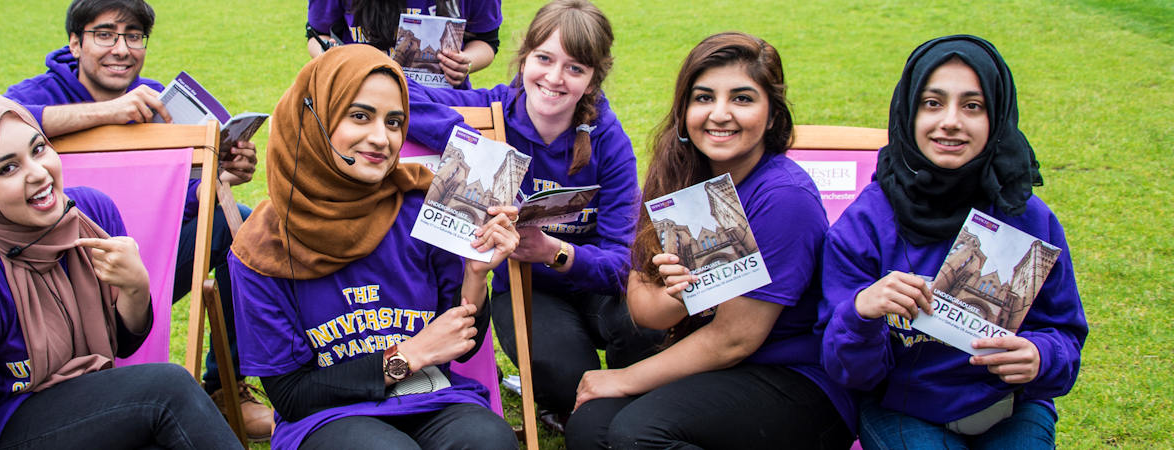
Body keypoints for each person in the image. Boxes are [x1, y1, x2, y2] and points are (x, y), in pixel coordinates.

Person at [562, 32, 855, 449]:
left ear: (772, 116)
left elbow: (736, 338)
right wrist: (681, 296)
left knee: (638, 434)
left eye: (742, 98)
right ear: (684, 111)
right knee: (591, 428)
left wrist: (623, 378)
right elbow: (645, 312)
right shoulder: (677, 177)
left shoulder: (785, 197)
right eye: (703, 98)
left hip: (795, 379)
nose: (720, 114)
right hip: (716, 367)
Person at [228, 44, 521, 450]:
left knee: (489, 440)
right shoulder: (262, 244)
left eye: (395, 121)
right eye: (360, 116)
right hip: (328, 417)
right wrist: (410, 354)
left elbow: (460, 344)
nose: (382, 138)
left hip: (430, 399)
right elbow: (292, 396)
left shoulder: (418, 205)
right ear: (315, 117)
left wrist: (474, 272)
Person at [1, 0, 272, 437]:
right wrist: (110, 113)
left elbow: (182, 196)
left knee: (241, 224)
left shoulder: (158, 100)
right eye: (104, 34)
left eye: (133, 36)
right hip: (62, 271)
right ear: (75, 42)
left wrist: (219, 177)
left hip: (146, 254)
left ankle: (225, 387)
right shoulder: (38, 95)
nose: (121, 48)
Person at [0, 93, 240, 449]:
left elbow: (125, 342)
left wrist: (134, 287)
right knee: (168, 390)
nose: (38, 173)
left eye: (38, 149)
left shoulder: (90, 212)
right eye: (8, 168)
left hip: (82, 406)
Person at [820, 35, 1087, 449]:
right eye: (932, 103)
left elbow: (1065, 334)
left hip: (1011, 406)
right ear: (907, 111)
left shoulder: (1030, 218)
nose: (951, 121)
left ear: (996, 116)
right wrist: (861, 312)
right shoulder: (865, 223)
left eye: (972, 106)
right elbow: (846, 370)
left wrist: (1041, 356)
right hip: (903, 408)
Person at [405, 0, 661, 430]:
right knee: (565, 379)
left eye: (575, 68)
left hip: (596, 285)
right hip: (526, 289)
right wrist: (466, 135)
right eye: (544, 59)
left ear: (594, 79)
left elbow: (623, 262)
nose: (554, 78)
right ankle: (565, 402)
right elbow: (400, 96)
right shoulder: (491, 115)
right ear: (524, 58)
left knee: (644, 327)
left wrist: (553, 251)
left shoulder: (608, 139)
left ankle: (631, 393)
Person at [306, 0, 502, 88]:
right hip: (358, 99)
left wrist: (466, 62)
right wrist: (331, 59)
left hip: (439, 107)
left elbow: (486, 41)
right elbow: (317, 35)